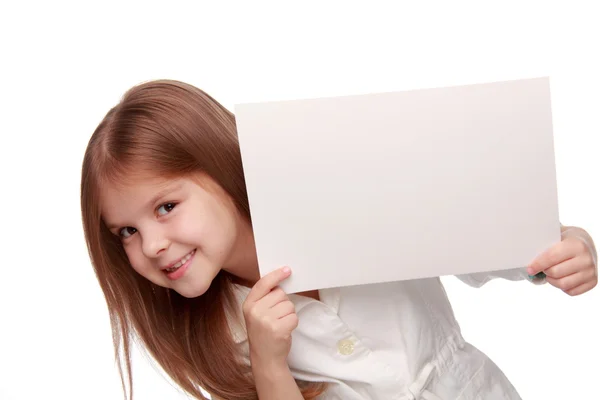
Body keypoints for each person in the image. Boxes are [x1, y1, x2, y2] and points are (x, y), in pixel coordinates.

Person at [80, 79, 598, 400]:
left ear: (219, 166)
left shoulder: (342, 198)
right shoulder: (211, 331)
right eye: (127, 231)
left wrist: (563, 245)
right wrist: (268, 361)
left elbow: (468, 233)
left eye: (166, 208)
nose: (150, 246)